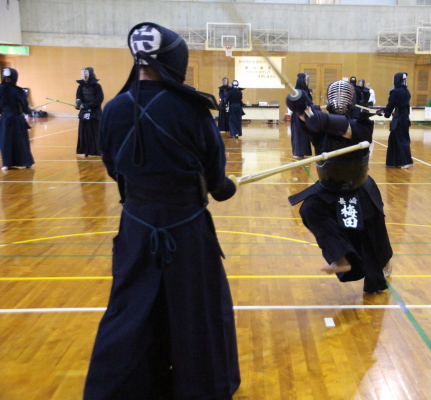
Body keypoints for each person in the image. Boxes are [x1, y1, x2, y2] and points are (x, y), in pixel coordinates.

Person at [83, 23, 240, 400]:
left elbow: (113, 168)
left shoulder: (114, 108)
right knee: (197, 308)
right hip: (187, 230)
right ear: (174, 59)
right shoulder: (193, 108)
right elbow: (215, 179)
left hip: (136, 227)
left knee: (131, 307)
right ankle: (201, 388)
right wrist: (226, 187)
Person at [287, 80, 393, 294]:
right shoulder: (319, 126)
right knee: (310, 210)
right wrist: (300, 108)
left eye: (345, 95)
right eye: (334, 95)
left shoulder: (362, 122)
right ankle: (340, 257)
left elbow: (347, 129)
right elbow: (307, 123)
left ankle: (380, 267)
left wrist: (322, 119)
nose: (339, 99)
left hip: (358, 188)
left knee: (371, 235)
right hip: (329, 188)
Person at [0, 67, 34, 170]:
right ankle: (26, 162)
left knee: (5, 141)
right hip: (17, 120)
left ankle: (7, 164)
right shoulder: (19, 91)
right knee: (21, 141)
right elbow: (25, 108)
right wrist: (29, 110)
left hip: (5, 120)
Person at [378, 72, 414, 169]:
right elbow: (397, 105)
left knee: (401, 140)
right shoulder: (406, 91)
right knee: (394, 140)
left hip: (399, 120)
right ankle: (393, 162)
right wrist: (385, 110)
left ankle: (407, 161)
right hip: (404, 118)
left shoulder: (396, 92)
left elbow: (391, 105)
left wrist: (386, 112)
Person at [75, 67, 104, 157]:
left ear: (90, 74)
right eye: (83, 74)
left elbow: (99, 100)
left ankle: (98, 151)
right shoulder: (80, 86)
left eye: (86, 74)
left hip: (95, 112)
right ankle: (85, 151)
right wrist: (78, 104)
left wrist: (87, 105)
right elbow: (78, 97)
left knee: (95, 132)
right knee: (84, 132)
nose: (84, 75)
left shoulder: (97, 86)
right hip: (84, 112)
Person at [290, 73, 313, 159]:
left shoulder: (306, 91)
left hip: (305, 116)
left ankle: (303, 152)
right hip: (298, 115)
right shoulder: (297, 91)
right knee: (298, 133)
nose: (307, 82)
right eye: (305, 80)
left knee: (304, 133)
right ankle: (297, 152)